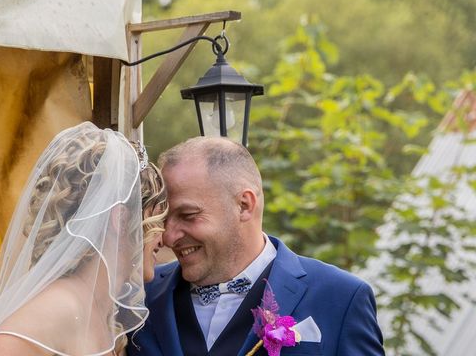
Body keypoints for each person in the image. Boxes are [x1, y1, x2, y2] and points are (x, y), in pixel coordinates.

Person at [127, 136, 384, 356]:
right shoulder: (139, 295)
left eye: (188, 215)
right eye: (164, 218)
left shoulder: (341, 298)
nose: (169, 237)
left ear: (244, 205)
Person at [0, 122, 167, 356]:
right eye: (156, 218)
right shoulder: (53, 311)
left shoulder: (97, 312)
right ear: (122, 220)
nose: (163, 238)